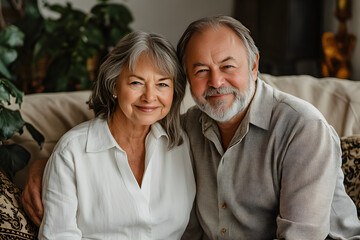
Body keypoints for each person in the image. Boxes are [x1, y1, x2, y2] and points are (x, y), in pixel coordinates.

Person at [177, 16, 360, 239]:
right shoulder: (188, 128)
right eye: (201, 71)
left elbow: (300, 237)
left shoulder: (303, 127)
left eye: (227, 66)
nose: (216, 81)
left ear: (254, 66)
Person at [37, 30, 195, 239]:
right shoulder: (72, 151)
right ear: (114, 86)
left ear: (174, 92)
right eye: (136, 82)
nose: (150, 96)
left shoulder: (183, 143)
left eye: (162, 84)